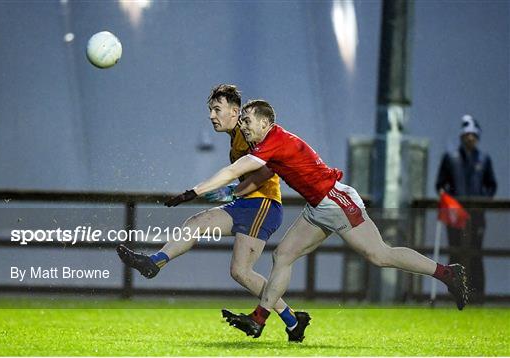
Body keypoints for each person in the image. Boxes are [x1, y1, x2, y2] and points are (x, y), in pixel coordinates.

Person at [165, 99, 470, 339]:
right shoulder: (267, 143)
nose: (243, 126)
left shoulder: (273, 141)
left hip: (335, 202)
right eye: (241, 120)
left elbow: (234, 172)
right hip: (317, 206)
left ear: (266, 122)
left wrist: (195, 190)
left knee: (380, 255)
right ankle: (259, 320)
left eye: (247, 120)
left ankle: (447, 273)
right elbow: (242, 176)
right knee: (282, 256)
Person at [117, 85, 311, 342]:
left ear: (235, 112)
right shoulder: (237, 137)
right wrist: (220, 193)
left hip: (262, 206)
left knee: (241, 271)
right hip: (247, 205)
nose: (211, 115)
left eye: (217, 109)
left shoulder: (246, 133)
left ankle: (292, 320)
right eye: (210, 110)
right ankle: (154, 263)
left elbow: (266, 172)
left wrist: (225, 192)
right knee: (197, 223)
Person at [436, 115, 497, 303]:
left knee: (476, 253)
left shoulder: (484, 159)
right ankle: (454, 294)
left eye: (473, 134)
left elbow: (491, 185)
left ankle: (478, 296)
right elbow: (440, 185)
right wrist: (450, 203)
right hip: (455, 216)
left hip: (476, 217)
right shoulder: (450, 157)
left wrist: (482, 202)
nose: (470, 138)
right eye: (466, 134)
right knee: (455, 253)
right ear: (462, 136)